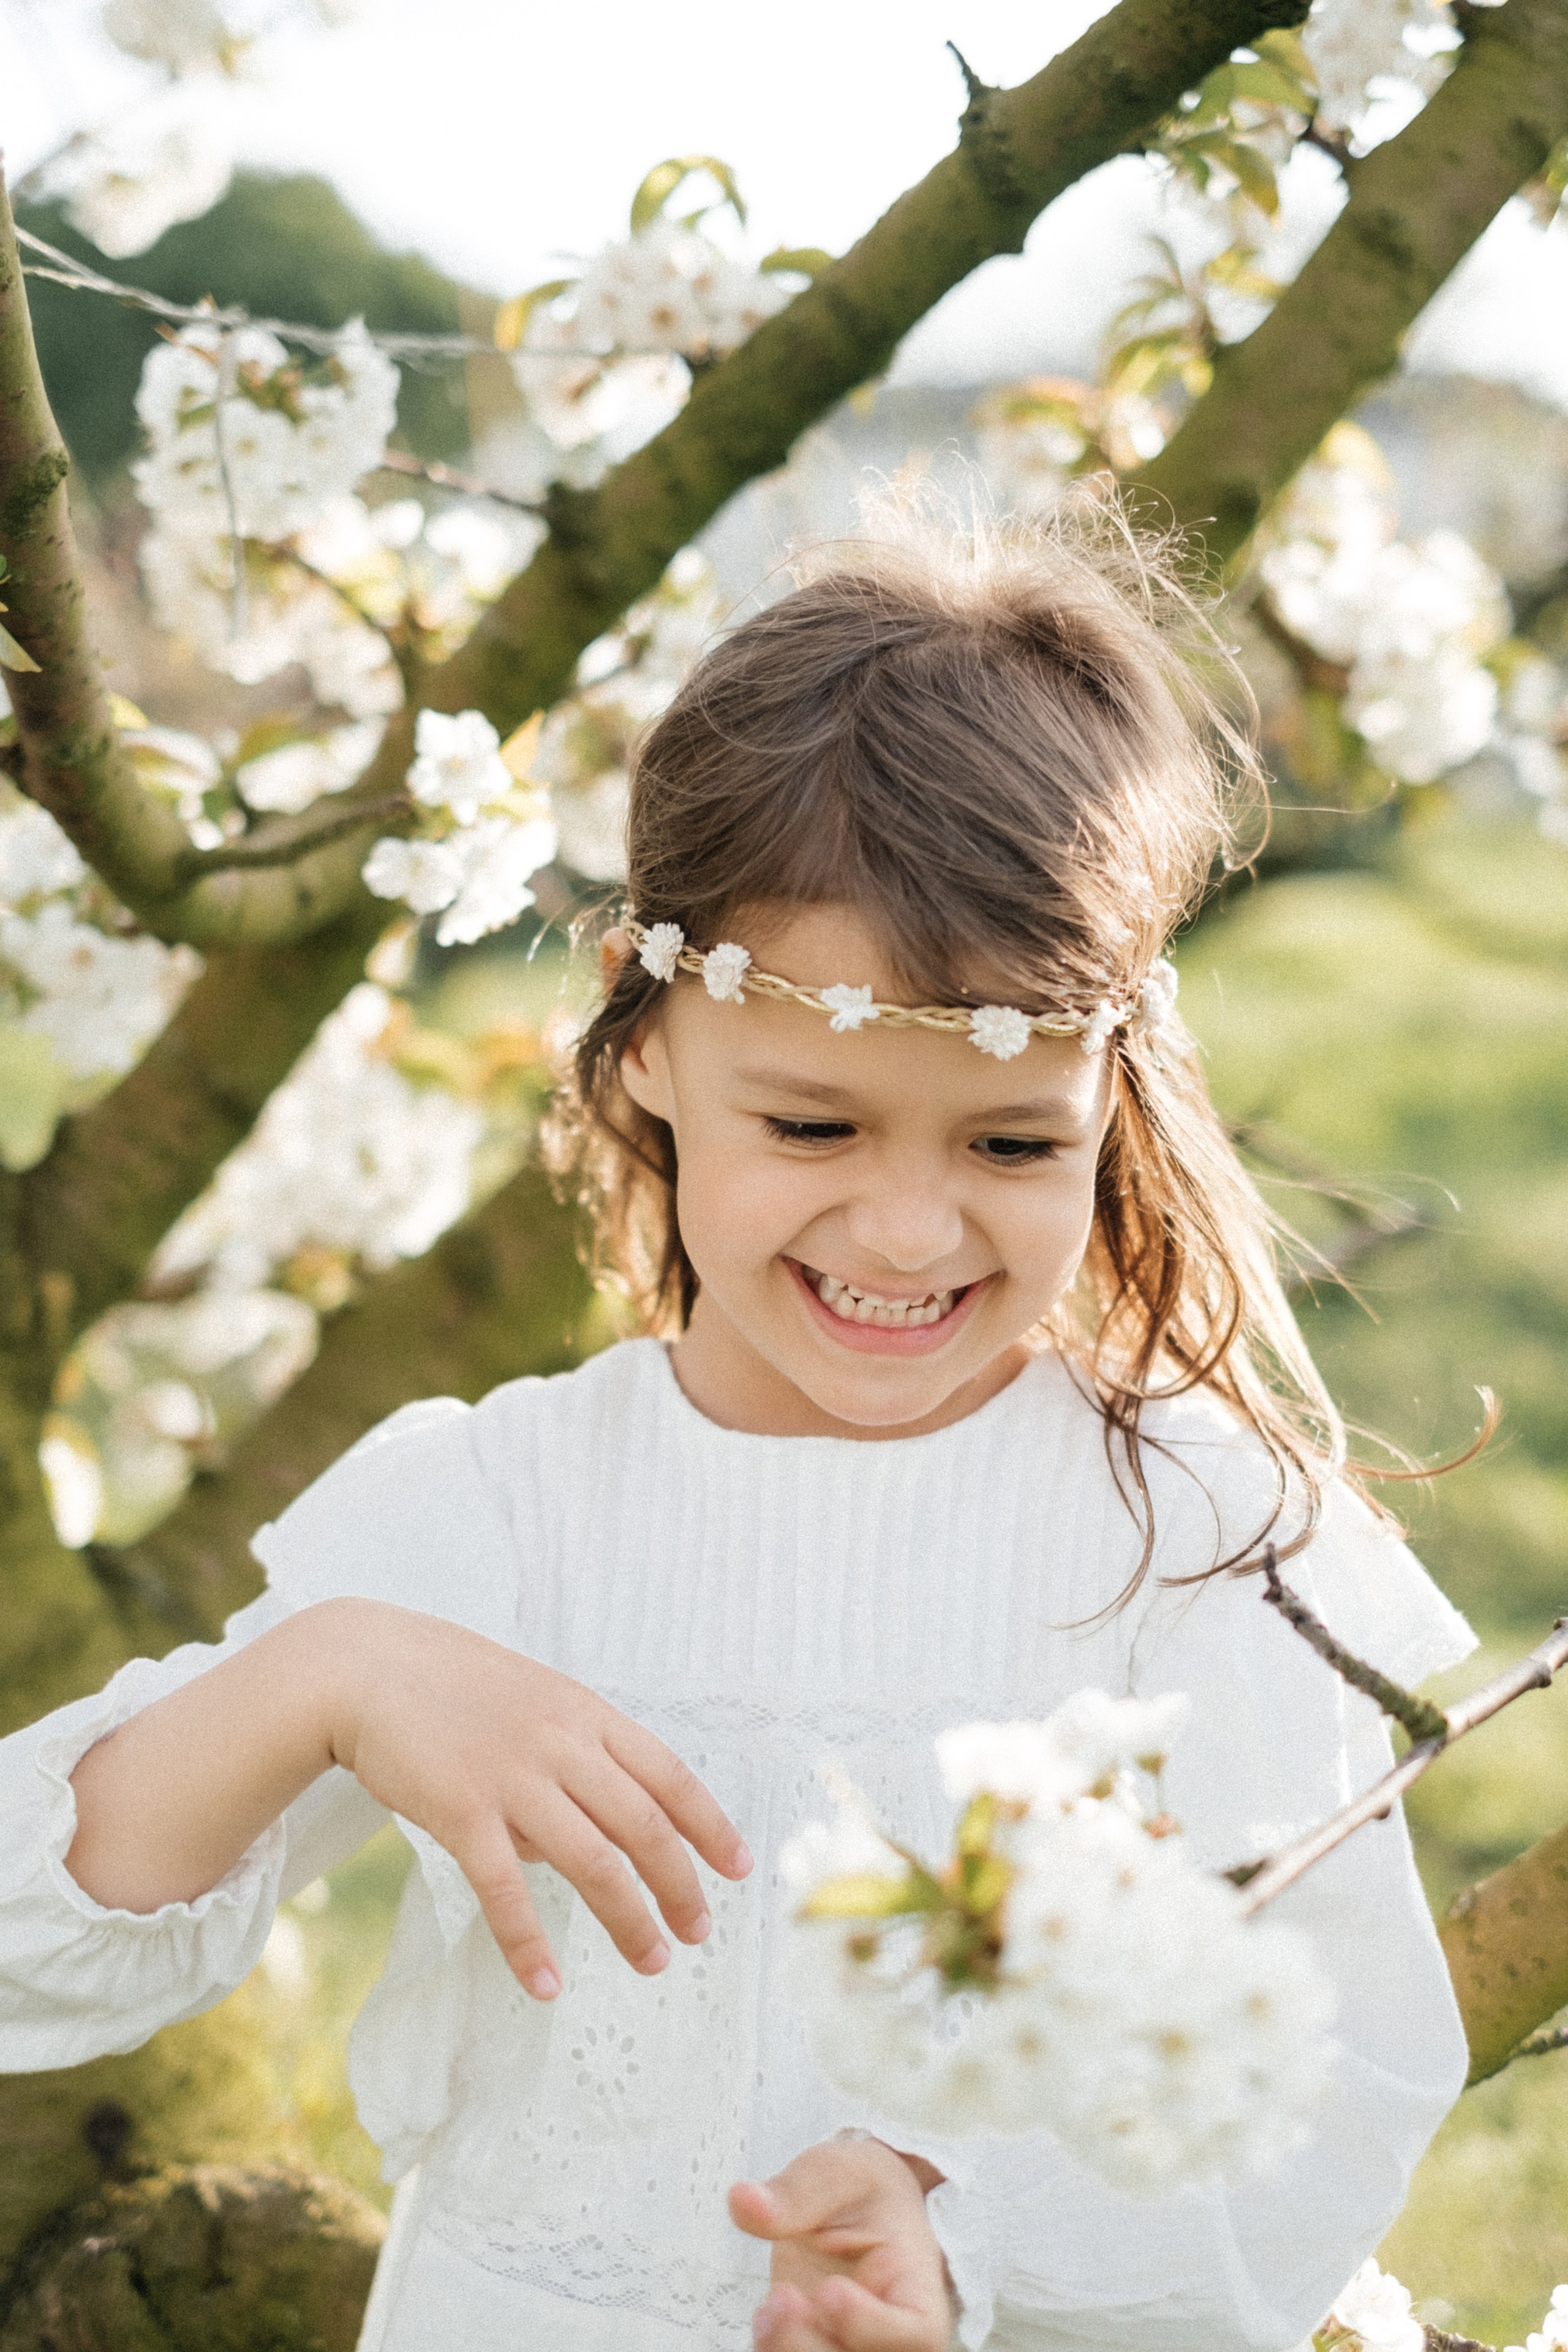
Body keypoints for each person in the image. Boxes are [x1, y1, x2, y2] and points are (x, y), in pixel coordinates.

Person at [0, 502, 1476, 2352]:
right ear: (646, 1059)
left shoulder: (1195, 1533)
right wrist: (328, 1676)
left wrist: (957, 2225)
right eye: (813, 1127)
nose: (909, 1230)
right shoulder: (501, 1515)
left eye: (1012, 1144)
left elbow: (1336, 2073)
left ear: (1119, 1106)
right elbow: (25, 1958)